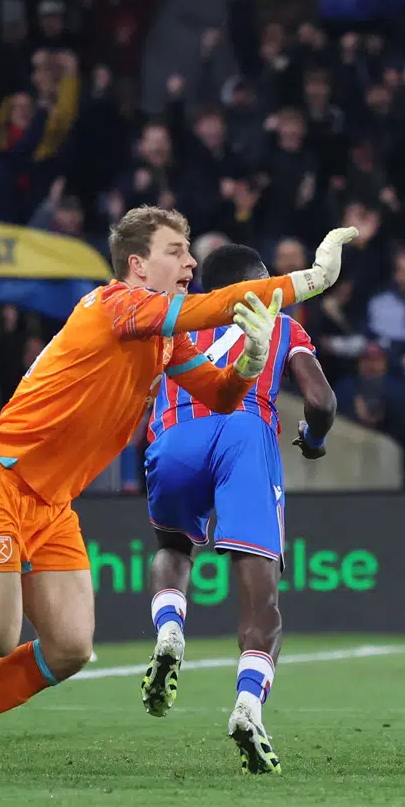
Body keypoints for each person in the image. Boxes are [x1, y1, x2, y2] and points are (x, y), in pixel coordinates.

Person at [0, 209, 357, 776]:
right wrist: (309, 279)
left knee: (69, 649)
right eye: (176, 250)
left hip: (50, 503)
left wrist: (250, 362)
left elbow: (218, 395)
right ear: (138, 266)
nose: (191, 262)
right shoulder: (113, 304)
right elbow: (208, 307)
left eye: (190, 251)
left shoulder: (163, 341)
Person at [139, 243, 336, 774]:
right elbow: (321, 401)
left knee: (173, 545)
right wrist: (313, 439)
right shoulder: (283, 325)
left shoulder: (174, 319)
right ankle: (248, 706)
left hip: (175, 435)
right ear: (261, 281)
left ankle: (169, 631)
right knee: (261, 592)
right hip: (246, 436)